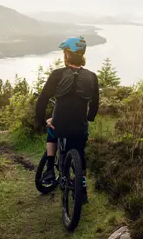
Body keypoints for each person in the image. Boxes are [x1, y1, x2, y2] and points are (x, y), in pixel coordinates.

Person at [35, 36, 99, 200]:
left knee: (52, 130)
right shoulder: (92, 76)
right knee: (79, 152)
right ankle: (82, 187)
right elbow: (95, 105)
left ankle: (49, 169)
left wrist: (42, 121)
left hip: (60, 123)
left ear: (67, 55)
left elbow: (42, 99)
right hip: (79, 125)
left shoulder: (57, 74)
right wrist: (89, 118)